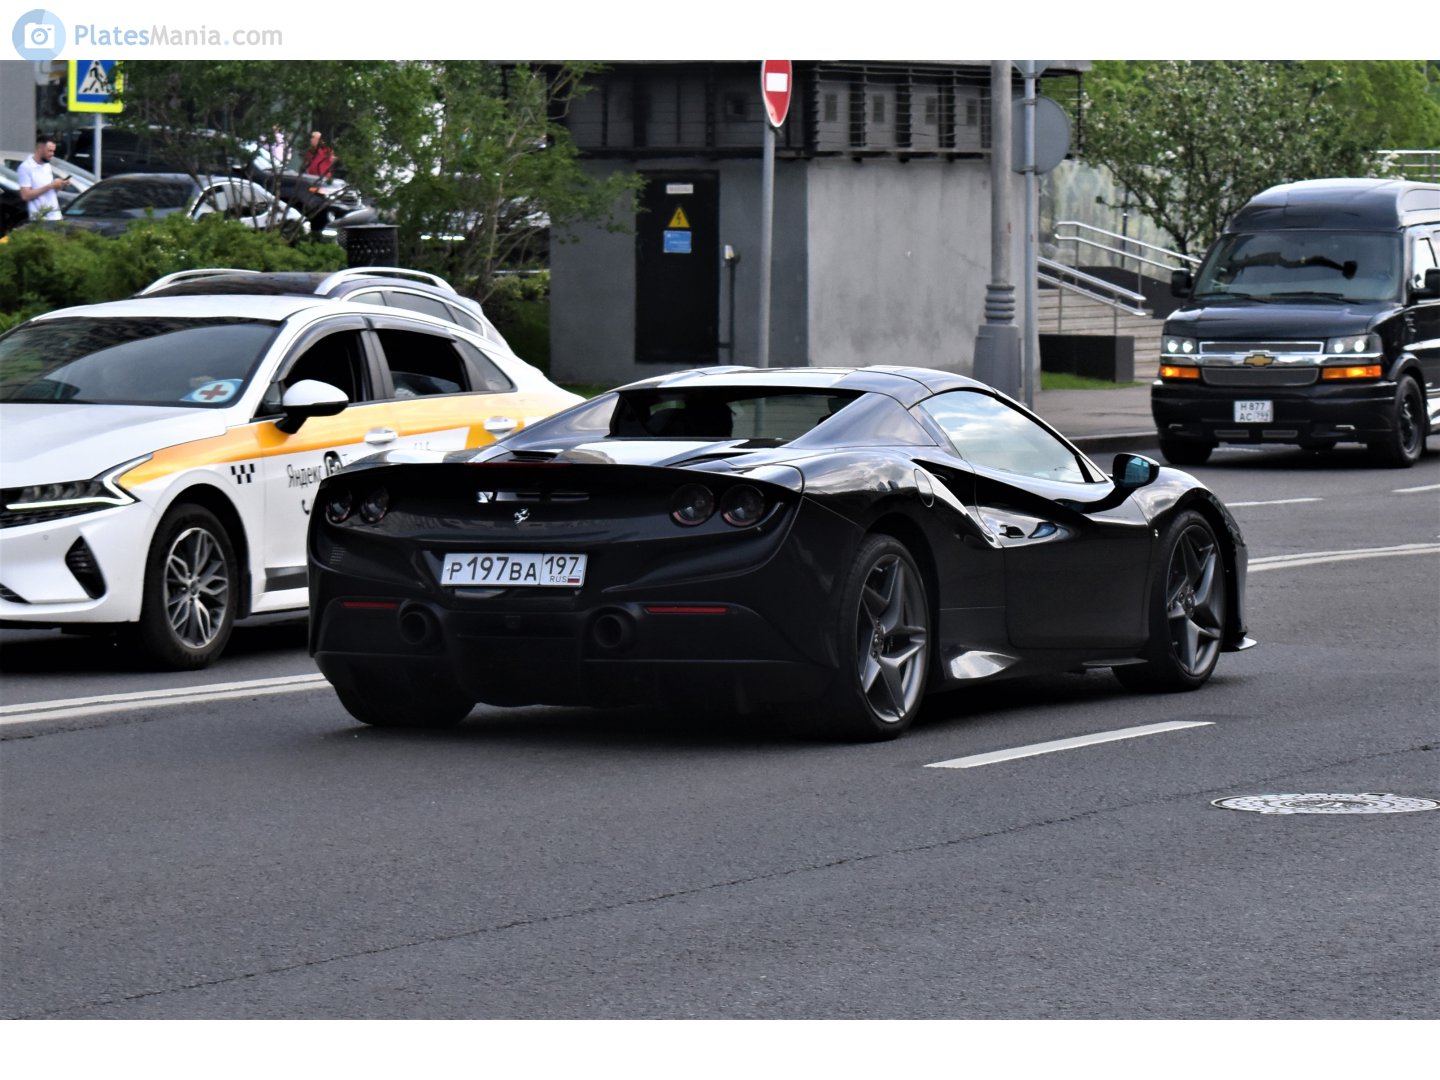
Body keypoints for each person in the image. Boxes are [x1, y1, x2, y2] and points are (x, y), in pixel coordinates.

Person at [17, 137, 69, 221]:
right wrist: (51, 186)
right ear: (40, 149)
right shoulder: (26, 167)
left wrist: (59, 186)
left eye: (53, 151)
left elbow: (49, 191)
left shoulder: (46, 165)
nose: (52, 154)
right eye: (49, 151)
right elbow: (25, 195)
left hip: (55, 215)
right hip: (40, 218)